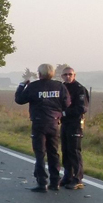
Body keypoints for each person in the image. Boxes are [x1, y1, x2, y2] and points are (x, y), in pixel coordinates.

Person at [14, 63, 71, 192]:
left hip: (39, 123)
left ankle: (41, 182)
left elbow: (19, 99)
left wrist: (22, 85)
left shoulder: (33, 87)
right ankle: (55, 182)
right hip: (54, 123)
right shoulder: (60, 86)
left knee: (40, 154)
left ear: (39, 73)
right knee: (54, 153)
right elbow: (67, 103)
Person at [60, 67, 89, 190]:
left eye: (70, 74)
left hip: (75, 123)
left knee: (74, 151)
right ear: (62, 76)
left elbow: (82, 108)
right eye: (65, 74)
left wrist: (65, 113)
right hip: (64, 123)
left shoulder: (80, 89)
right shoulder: (61, 87)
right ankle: (67, 176)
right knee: (65, 150)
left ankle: (77, 178)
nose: (68, 76)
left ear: (74, 75)